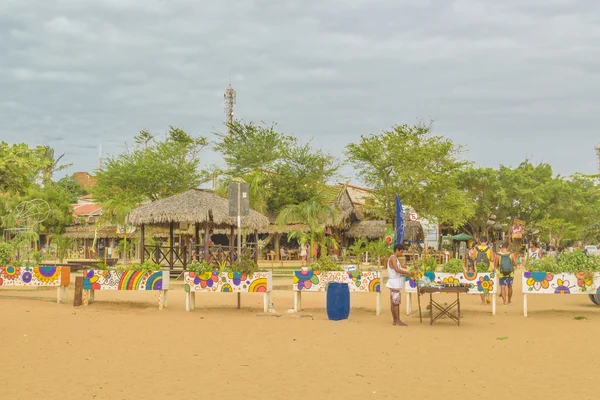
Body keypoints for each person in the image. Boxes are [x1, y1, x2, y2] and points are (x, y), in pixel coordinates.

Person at [386, 243, 412, 326]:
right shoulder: (393, 258)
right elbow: (397, 270)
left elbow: (397, 271)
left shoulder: (395, 259)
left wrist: (405, 273)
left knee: (393, 302)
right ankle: (398, 320)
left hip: (394, 283)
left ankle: (395, 320)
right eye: (401, 252)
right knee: (396, 303)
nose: (402, 254)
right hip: (395, 284)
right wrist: (407, 273)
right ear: (397, 250)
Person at [471, 237, 495, 305]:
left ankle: (483, 301)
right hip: (488, 268)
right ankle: (487, 297)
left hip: (479, 269)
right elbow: (492, 259)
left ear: (480, 241)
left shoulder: (476, 249)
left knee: (481, 284)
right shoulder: (490, 249)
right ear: (487, 242)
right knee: (487, 283)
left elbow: (473, 258)